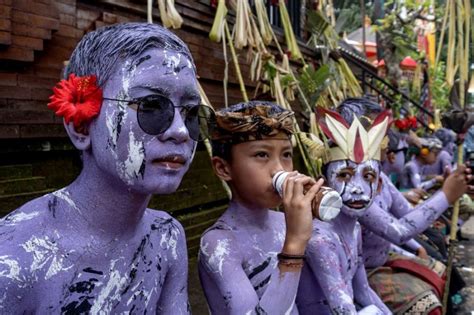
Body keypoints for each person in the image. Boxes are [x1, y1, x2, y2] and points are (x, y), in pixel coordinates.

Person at [0, 23, 212, 313]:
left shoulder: (166, 237)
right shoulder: (16, 257)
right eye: (151, 106)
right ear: (81, 125)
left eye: (190, 112)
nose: (181, 131)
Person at [333, 99, 470, 314]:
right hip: (365, 272)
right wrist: (446, 195)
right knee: (426, 303)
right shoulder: (350, 189)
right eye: (381, 135)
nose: (387, 143)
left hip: (385, 255)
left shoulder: (380, 178)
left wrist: (418, 247)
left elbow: (407, 213)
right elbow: (399, 231)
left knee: (441, 270)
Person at [198, 101, 324, 314]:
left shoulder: (284, 224)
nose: (279, 170)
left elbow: (311, 304)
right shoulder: (219, 245)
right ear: (223, 168)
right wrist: (294, 245)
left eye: (286, 155)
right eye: (261, 155)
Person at [296, 102, 392, 314]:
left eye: (368, 176)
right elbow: (344, 308)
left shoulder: (354, 228)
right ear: (325, 183)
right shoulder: (320, 240)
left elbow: (363, 291)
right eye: (344, 175)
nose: (357, 189)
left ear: (378, 186)